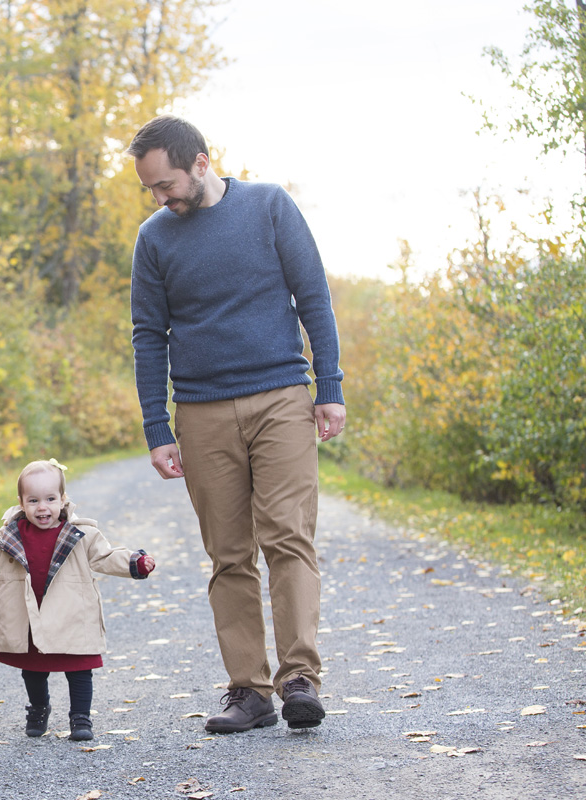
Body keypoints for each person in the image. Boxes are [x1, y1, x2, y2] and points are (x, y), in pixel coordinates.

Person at [125, 115, 346, 734]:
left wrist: (329, 387)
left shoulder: (270, 207)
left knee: (288, 537)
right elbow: (148, 335)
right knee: (228, 555)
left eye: (166, 184)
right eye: (150, 189)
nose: (159, 198)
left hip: (281, 398)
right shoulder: (154, 238)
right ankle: (249, 690)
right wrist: (157, 426)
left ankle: (299, 678)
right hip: (201, 412)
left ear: (200, 163)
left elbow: (314, 296)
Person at [0, 460, 155, 742]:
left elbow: (106, 556)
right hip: (30, 615)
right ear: (21, 503)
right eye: (33, 500)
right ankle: (39, 707)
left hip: (72, 613)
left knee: (80, 668)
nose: (42, 507)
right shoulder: (13, 532)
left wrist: (135, 562)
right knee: (33, 670)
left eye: (50, 499)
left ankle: (81, 717)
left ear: (63, 499)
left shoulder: (81, 534)